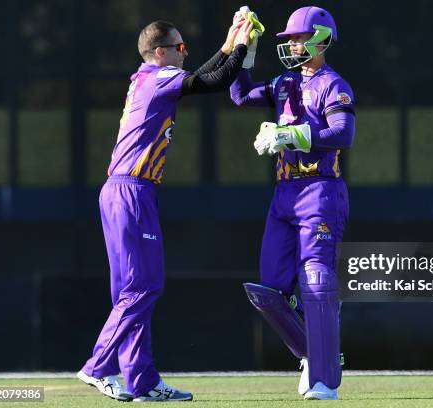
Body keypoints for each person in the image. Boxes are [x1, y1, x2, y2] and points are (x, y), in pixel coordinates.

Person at [76, 16, 253, 402]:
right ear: (161, 52)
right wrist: (241, 46)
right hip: (132, 192)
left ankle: (141, 381)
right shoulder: (157, 79)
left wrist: (225, 48)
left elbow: (196, 80)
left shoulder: (146, 79)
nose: (184, 53)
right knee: (144, 287)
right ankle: (97, 366)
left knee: (130, 292)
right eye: (180, 48)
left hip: (120, 191)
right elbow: (214, 83)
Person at [231, 6, 355, 401]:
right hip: (283, 195)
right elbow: (238, 96)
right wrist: (243, 52)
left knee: (316, 283)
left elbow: (342, 132)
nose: (293, 45)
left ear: (320, 39)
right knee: (268, 290)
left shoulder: (334, 85)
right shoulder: (284, 82)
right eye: (290, 40)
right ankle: (315, 355)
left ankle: (324, 381)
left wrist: (291, 136)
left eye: (299, 38)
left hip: (320, 191)